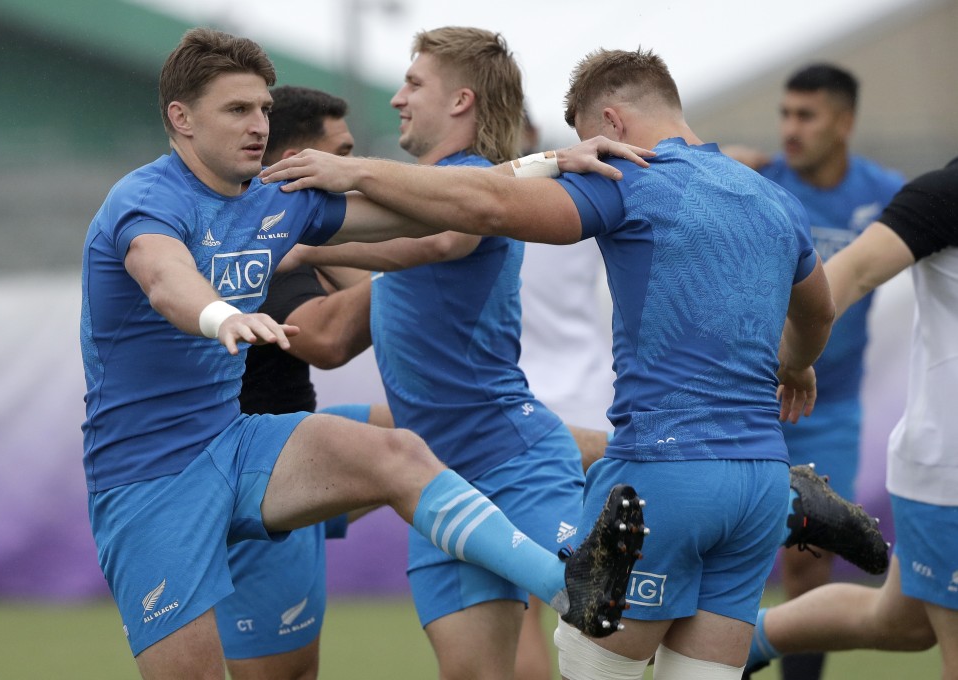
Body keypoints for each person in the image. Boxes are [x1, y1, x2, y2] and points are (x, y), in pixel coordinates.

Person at [263, 46, 893, 679]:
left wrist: (352, 177)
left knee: (582, 627)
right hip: (748, 469)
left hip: (620, 467)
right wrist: (797, 364)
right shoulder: (772, 198)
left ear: (612, 125)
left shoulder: (626, 176)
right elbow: (819, 313)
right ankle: (785, 503)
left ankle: (788, 508)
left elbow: (473, 213)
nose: (591, 158)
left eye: (413, 82)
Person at [80, 27, 652, 680]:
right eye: (238, 110)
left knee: (398, 452)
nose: (259, 124)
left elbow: (429, 224)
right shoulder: (145, 199)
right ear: (181, 119)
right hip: (148, 477)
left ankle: (567, 586)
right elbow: (162, 277)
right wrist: (221, 317)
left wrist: (546, 163)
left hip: (233, 444)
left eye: (264, 108)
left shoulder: (273, 203)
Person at [279, 27, 616, 680]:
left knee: (632, 621)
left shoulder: (463, 186)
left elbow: (441, 240)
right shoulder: (438, 189)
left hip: (512, 462)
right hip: (436, 488)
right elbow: (378, 239)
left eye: (412, 83)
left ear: (460, 101)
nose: (398, 99)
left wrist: (314, 236)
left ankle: (773, 526)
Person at [742, 157, 958, 679]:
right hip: (948, 474)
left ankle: (743, 642)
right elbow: (849, 273)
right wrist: (791, 359)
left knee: (902, 621)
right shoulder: (944, 193)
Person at [726, 65, 905, 680]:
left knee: (810, 561)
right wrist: (716, 158)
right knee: (725, 552)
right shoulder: (756, 180)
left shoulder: (888, 194)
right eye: (785, 114)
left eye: (807, 115)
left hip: (830, 409)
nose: (790, 129)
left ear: (844, 121)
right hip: (746, 403)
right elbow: (667, 173)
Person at [214, 84, 390, 680]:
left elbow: (377, 262)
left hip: (295, 445)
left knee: (441, 431)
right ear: (297, 164)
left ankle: (567, 546)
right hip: (257, 474)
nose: (350, 165)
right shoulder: (248, 240)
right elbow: (323, 339)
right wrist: (431, 267)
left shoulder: (293, 237)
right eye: (339, 153)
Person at [516, 107, 614, 680]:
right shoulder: (586, 197)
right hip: (592, 410)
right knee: (598, 597)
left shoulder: (473, 202)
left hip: (522, 417)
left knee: (529, 603)